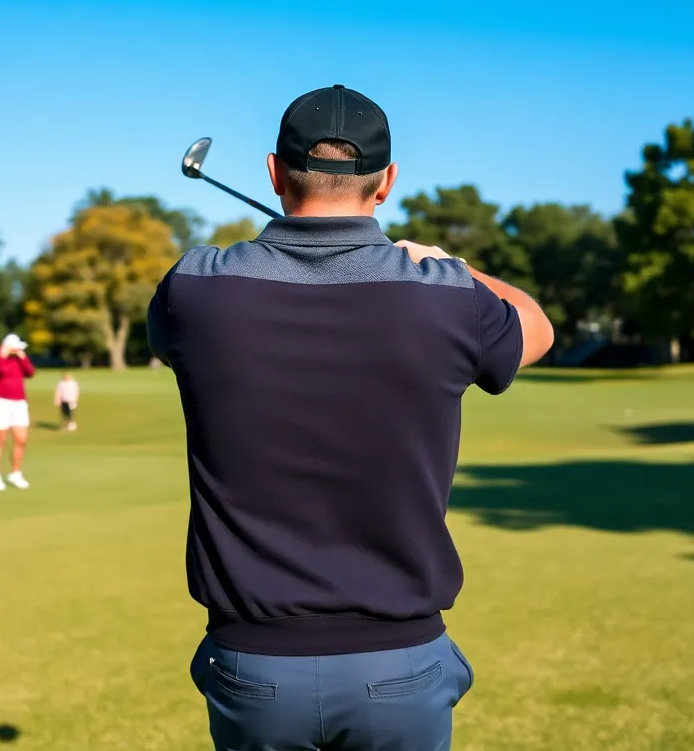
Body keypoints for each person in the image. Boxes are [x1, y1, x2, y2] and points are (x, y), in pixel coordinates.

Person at [147, 84, 554, 751]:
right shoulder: (448, 299)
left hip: (253, 667)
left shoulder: (192, 287)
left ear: (274, 171)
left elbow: (179, 332)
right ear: (386, 182)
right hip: (400, 667)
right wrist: (457, 268)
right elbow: (537, 328)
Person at [0, 333, 35, 491]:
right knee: (0, 438)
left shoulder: (19, 361)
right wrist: (3, 354)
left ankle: (15, 473)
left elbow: (30, 372)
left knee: (21, 439)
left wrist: (22, 356)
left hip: (19, 403)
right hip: (0, 402)